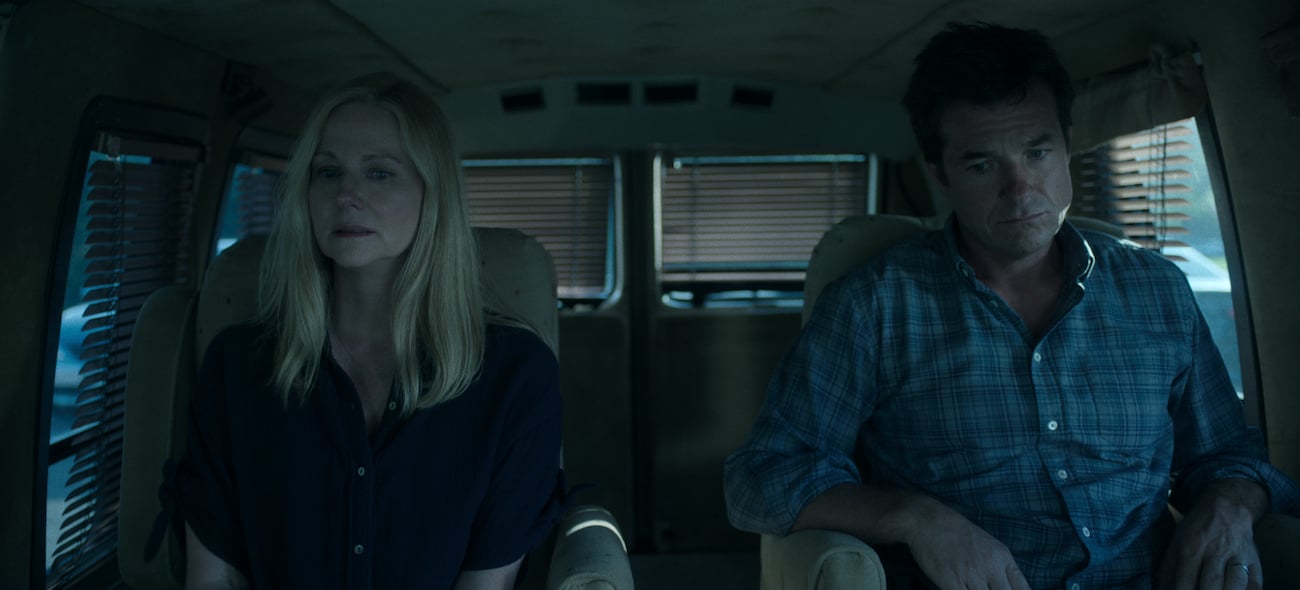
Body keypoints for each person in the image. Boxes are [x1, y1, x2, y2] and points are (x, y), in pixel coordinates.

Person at [723, 22, 1300, 590]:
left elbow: (1228, 454)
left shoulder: (1159, 290)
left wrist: (1230, 505)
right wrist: (915, 518)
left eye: (1037, 152)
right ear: (939, 173)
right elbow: (760, 478)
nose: (1020, 190)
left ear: (1067, 145)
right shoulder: (873, 305)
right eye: (982, 165)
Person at [172, 73, 567, 589]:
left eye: (379, 173)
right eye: (328, 171)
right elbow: (214, 579)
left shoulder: (515, 375)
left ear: (433, 194)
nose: (346, 195)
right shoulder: (237, 366)